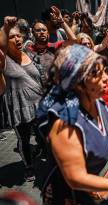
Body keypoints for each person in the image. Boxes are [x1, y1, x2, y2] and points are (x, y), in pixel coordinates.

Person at [36, 44, 108, 204]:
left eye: (105, 71)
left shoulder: (96, 99)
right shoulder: (64, 124)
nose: (106, 78)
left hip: (106, 194)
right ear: (77, 82)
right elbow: (76, 178)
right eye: (96, 74)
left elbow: (106, 122)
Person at [0, 17, 44, 181]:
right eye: (11, 37)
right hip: (20, 106)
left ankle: (42, 152)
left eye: (18, 35)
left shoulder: (28, 52)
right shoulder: (4, 59)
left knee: (45, 134)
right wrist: (5, 27)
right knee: (24, 139)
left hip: (39, 103)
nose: (17, 39)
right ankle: (29, 167)